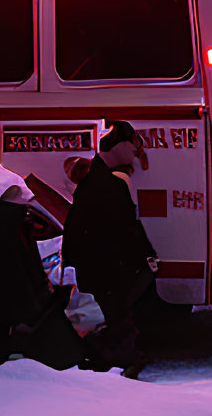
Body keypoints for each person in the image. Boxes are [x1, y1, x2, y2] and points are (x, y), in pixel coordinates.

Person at [63, 121, 164, 368]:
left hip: (99, 265)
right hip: (107, 266)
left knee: (116, 312)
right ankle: (116, 357)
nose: (135, 153)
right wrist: (147, 254)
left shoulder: (92, 180)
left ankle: (115, 354)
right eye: (132, 146)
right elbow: (127, 227)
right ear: (119, 145)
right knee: (118, 312)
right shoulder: (108, 184)